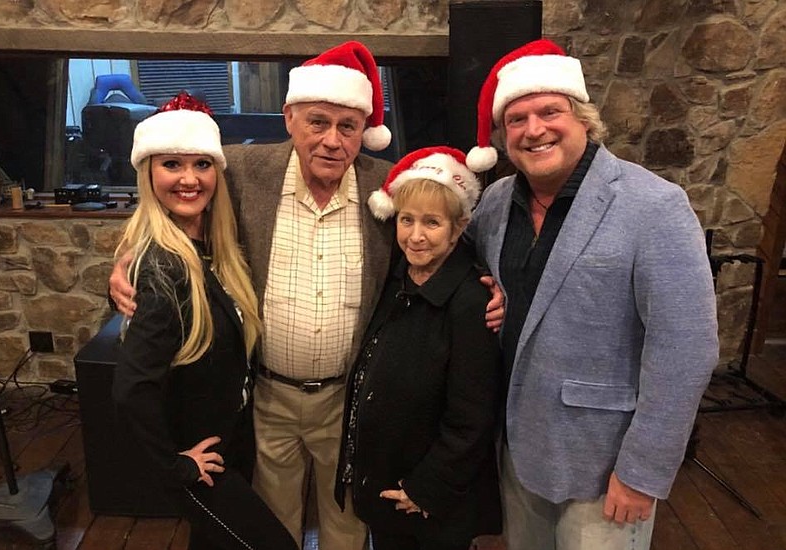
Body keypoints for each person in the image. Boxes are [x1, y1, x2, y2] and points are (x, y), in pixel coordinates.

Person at [110, 42, 503, 549]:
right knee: (272, 525)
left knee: (347, 525)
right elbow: (172, 197)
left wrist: (485, 284)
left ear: (365, 130)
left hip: (351, 399)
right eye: (318, 122)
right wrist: (123, 262)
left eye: (348, 126)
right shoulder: (245, 172)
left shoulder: (388, 187)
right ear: (290, 118)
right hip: (267, 397)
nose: (332, 141)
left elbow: (444, 232)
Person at [463, 39, 719, 550]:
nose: (534, 129)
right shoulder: (493, 203)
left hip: (603, 466)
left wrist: (642, 472)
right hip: (516, 449)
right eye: (516, 119)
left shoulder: (655, 206)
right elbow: (469, 268)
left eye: (549, 112)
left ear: (583, 118)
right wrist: (482, 289)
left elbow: (687, 348)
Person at [111, 93, 297, 550]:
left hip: (230, 444)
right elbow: (131, 389)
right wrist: (176, 467)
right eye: (172, 164)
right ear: (148, 174)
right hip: (202, 462)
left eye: (202, 164)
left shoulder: (215, 250)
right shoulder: (162, 269)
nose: (189, 179)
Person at [334, 147, 503, 550]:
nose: (415, 235)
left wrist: (428, 487)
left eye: (432, 223)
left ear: (458, 227)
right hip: (389, 489)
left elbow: (472, 415)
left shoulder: (469, 301)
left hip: (428, 501)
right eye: (406, 220)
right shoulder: (397, 279)